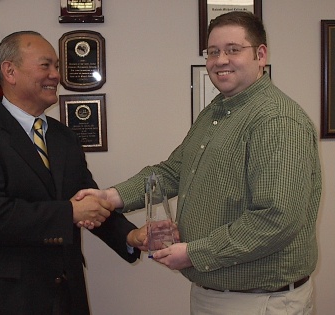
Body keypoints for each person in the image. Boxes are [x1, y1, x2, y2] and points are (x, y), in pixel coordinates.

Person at [76, 11, 322, 315]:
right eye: (213, 52)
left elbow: (275, 219)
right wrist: (108, 197)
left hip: (259, 301)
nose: (220, 60)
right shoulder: (218, 110)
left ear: (261, 55)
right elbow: (173, 171)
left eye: (233, 49)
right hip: (217, 292)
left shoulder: (277, 120)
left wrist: (194, 253)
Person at [0, 31, 146, 315]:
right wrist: (69, 213)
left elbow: (87, 200)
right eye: (46, 65)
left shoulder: (64, 137)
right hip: (5, 301)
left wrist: (131, 236)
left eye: (57, 66)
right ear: (10, 71)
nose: (56, 75)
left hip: (67, 298)